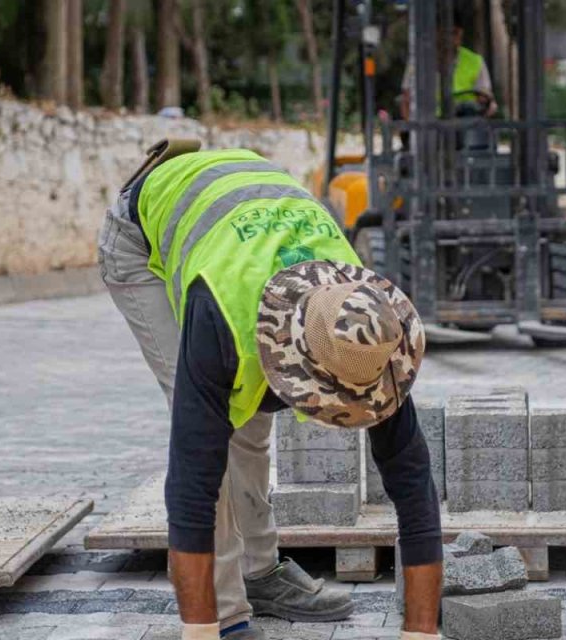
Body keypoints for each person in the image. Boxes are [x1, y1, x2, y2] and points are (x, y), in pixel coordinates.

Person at [97, 139, 444, 640]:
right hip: (139, 238)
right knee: (208, 423)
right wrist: (200, 633)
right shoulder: (223, 320)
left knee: (250, 424)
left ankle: (259, 574)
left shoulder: (363, 329)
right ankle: (226, 612)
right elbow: (191, 482)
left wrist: (420, 633)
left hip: (242, 217)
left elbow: (412, 485)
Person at [400, 20, 496, 119]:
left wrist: (485, 105)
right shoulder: (418, 62)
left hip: (463, 123)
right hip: (429, 123)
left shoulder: (475, 61)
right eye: (445, 33)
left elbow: (485, 98)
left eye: (455, 33)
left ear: (461, 34)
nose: (450, 38)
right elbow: (406, 99)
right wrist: (413, 130)